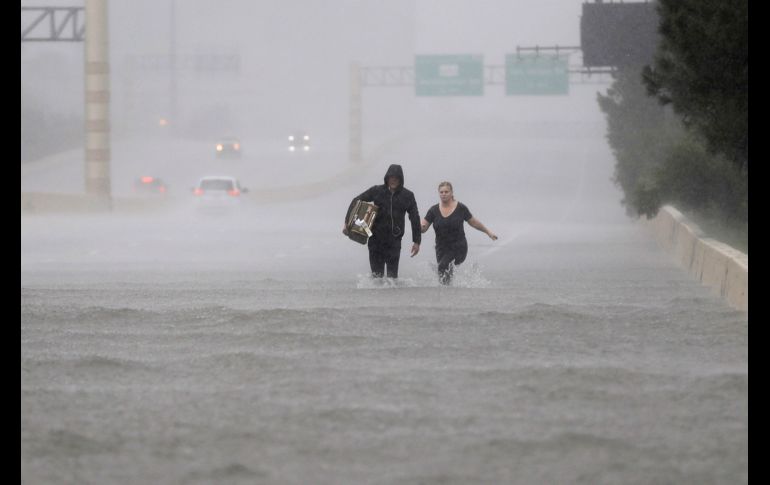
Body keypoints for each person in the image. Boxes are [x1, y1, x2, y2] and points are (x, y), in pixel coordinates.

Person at [343, 164, 421, 279]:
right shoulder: (377, 190)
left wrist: (417, 241)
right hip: (375, 240)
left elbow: (414, 217)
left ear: (401, 179)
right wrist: (347, 222)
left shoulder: (407, 195)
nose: (393, 180)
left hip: (394, 242)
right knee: (376, 278)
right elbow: (356, 200)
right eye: (391, 177)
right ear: (387, 178)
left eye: (396, 178)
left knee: (392, 279)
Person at [421, 181, 498, 285]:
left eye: (446, 192)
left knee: (443, 267)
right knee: (444, 270)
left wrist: (488, 232)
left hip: (459, 247)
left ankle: (445, 292)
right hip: (441, 248)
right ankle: (450, 292)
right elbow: (423, 228)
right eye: (441, 192)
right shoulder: (433, 210)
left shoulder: (460, 208)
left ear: (452, 193)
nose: (443, 194)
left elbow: (474, 222)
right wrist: (420, 227)